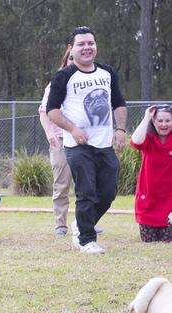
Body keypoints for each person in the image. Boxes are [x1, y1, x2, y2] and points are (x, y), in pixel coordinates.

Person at [47, 26, 127, 254]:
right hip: (78, 146)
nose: (87, 48)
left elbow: (119, 103)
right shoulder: (63, 76)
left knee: (109, 192)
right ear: (71, 49)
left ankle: (82, 224)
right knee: (86, 192)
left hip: (104, 145)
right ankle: (86, 240)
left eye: (90, 43)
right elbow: (52, 110)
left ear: (96, 46)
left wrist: (120, 129)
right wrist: (73, 129)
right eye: (81, 44)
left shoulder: (107, 72)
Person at [39, 47, 75, 237]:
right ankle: (60, 224)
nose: (73, 60)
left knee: (88, 184)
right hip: (61, 140)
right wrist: (50, 135)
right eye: (70, 57)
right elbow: (44, 112)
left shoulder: (89, 81)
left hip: (83, 139)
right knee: (62, 184)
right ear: (65, 60)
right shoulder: (56, 83)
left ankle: (86, 223)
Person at [130, 104, 172, 242]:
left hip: (169, 202)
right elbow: (135, 141)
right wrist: (147, 117)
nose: (164, 124)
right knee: (149, 242)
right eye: (160, 121)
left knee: (167, 242)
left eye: (168, 121)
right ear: (154, 122)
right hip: (148, 200)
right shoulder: (148, 137)